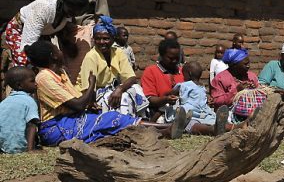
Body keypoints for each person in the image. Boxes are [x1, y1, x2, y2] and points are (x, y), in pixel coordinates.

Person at [27, 40, 186, 146]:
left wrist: (89, 102)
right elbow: (77, 104)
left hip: (71, 119)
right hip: (56, 126)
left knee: (111, 127)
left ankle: (164, 131)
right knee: (111, 119)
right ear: (53, 55)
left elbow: (78, 101)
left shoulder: (60, 73)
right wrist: (91, 85)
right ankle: (167, 127)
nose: (61, 51)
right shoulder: (44, 77)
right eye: (57, 50)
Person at [76, 16, 148, 117]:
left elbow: (131, 77)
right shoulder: (91, 56)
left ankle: (138, 119)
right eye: (98, 39)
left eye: (105, 39)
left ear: (113, 39)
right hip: (90, 95)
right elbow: (88, 87)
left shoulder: (118, 52)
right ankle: (123, 124)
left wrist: (119, 89)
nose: (101, 42)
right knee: (122, 98)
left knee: (135, 88)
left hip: (111, 89)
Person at [1, 0, 89, 66]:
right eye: (72, 11)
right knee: (24, 63)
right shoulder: (43, 8)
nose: (74, 15)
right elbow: (28, 46)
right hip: (21, 32)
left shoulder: (67, 13)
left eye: (77, 12)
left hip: (42, 34)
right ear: (63, 3)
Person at [172, 62, 233, 136]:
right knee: (212, 120)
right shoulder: (202, 87)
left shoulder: (185, 85)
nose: (183, 77)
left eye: (184, 74)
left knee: (193, 125)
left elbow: (183, 99)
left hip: (191, 113)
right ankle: (233, 126)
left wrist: (176, 95)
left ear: (189, 73)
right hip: (204, 112)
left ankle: (213, 129)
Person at [141, 39, 185, 121]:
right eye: (171, 58)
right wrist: (166, 99)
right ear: (161, 55)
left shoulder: (183, 72)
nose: (174, 61)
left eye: (177, 58)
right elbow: (150, 99)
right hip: (159, 112)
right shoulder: (151, 71)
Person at [0, 67, 39, 153]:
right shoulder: (29, 101)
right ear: (19, 85)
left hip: (4, 148)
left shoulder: (4, 103)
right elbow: (31, 124)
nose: (36, 84)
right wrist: (30, 149)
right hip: (21, 147)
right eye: (32, 81)